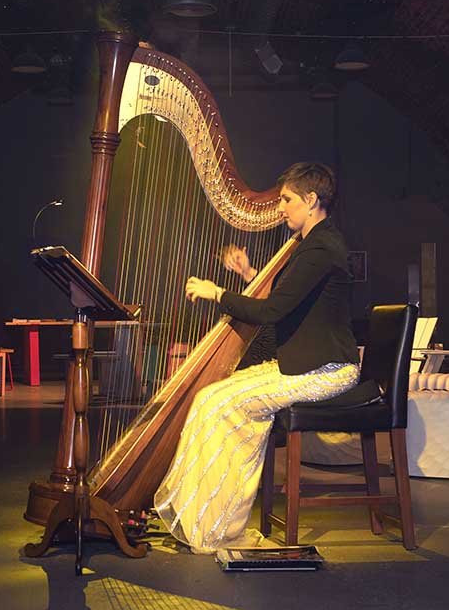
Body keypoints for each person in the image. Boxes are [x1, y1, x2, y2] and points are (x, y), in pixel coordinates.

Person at [154, 162, 361, 553]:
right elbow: (293, 303)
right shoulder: (312, 244)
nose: (280, 208)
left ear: (311, 200)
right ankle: (194, 512)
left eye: (286, 199)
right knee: (210, 396)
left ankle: (221, 526)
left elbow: (272, 312)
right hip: (305, 363)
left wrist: (218, 293)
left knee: (226, 404)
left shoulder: (322, 248)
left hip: (327, 370)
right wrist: (250, 272)